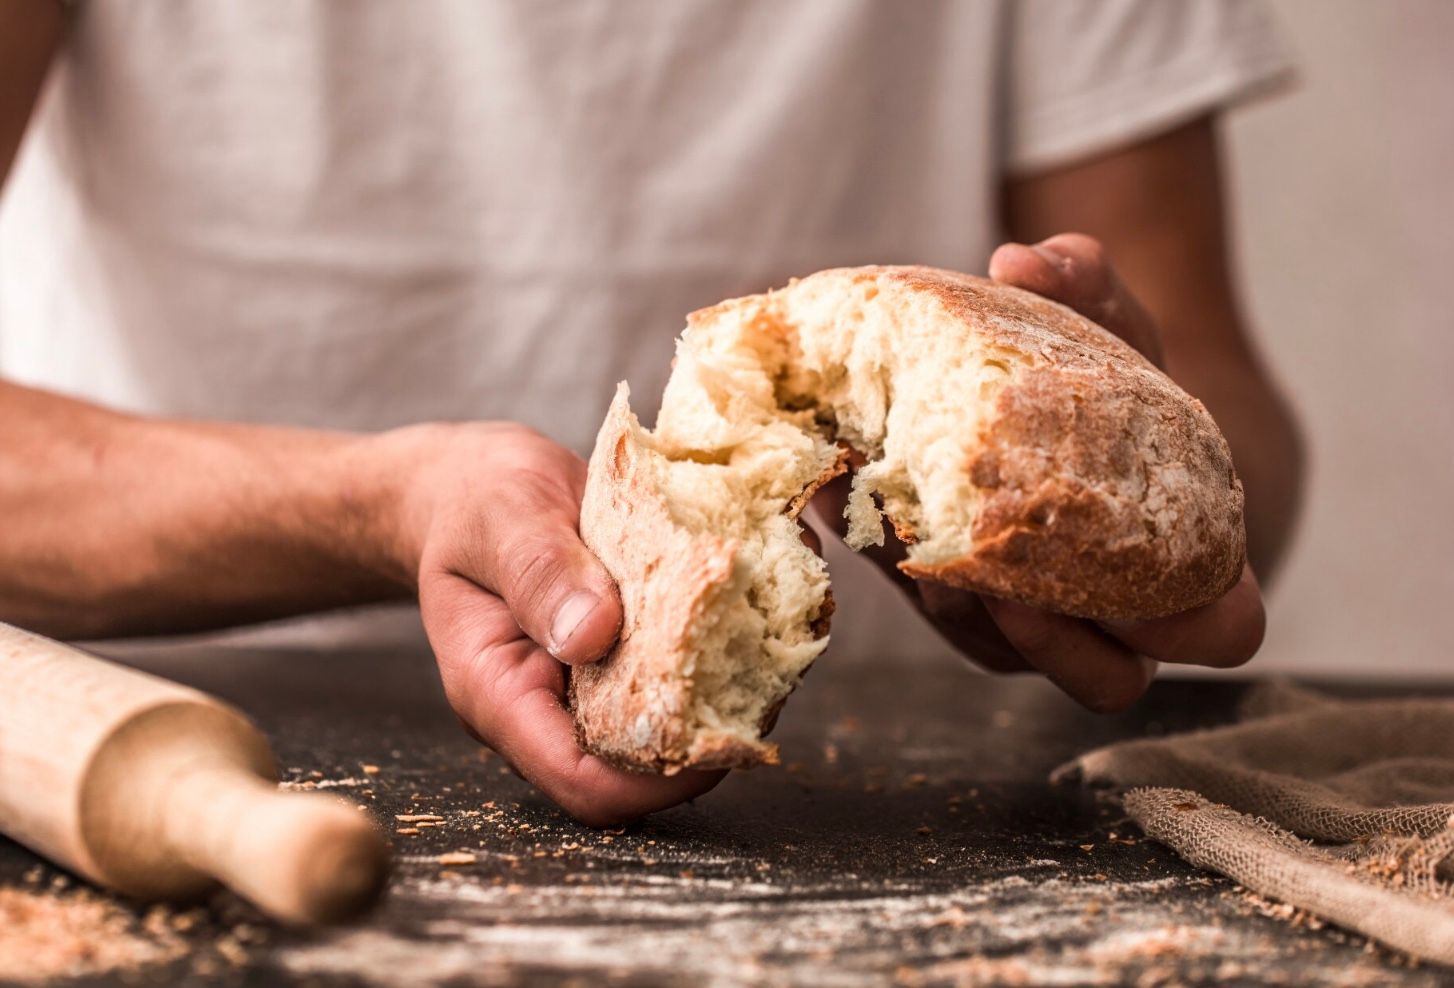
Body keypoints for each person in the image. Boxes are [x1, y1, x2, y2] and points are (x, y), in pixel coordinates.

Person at [0, 1, 1303, 825]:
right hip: (164, 754)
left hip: (901, 794)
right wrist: (382, 507)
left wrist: (1113, 469)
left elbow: (1229, 420)